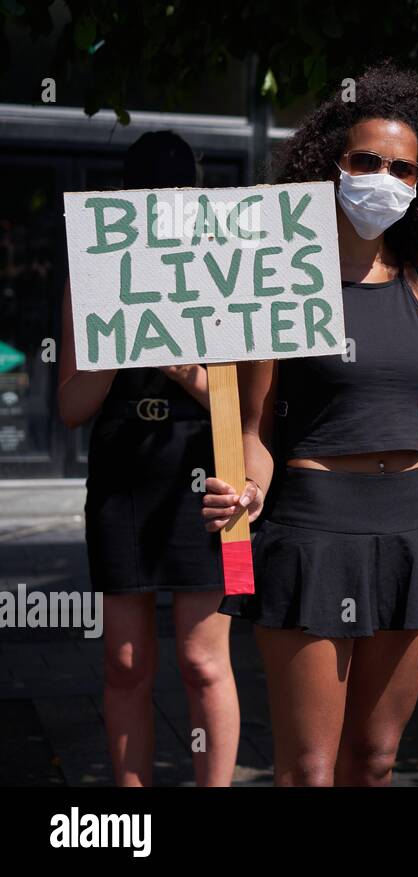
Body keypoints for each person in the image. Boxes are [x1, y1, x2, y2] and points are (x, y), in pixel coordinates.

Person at [201, 64, 418, 786]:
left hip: (412, 534)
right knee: (309, 768)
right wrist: (248, 491)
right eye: (366, 161)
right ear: (328, 165)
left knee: (377, 760)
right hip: (313, 530)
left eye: (403, 168)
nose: (383, 178)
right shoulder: (282, 288)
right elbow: (256, 427)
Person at [57, 130, 239, 787]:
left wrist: (179, 362)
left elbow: (245, 400)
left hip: (206, 463)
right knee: (126, 659)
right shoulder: (94, 273)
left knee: (203, 660)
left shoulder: (223, 270)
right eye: (149, 197)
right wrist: (113, 339)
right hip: (122, 468)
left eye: (177, 196)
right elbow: (72, 405)